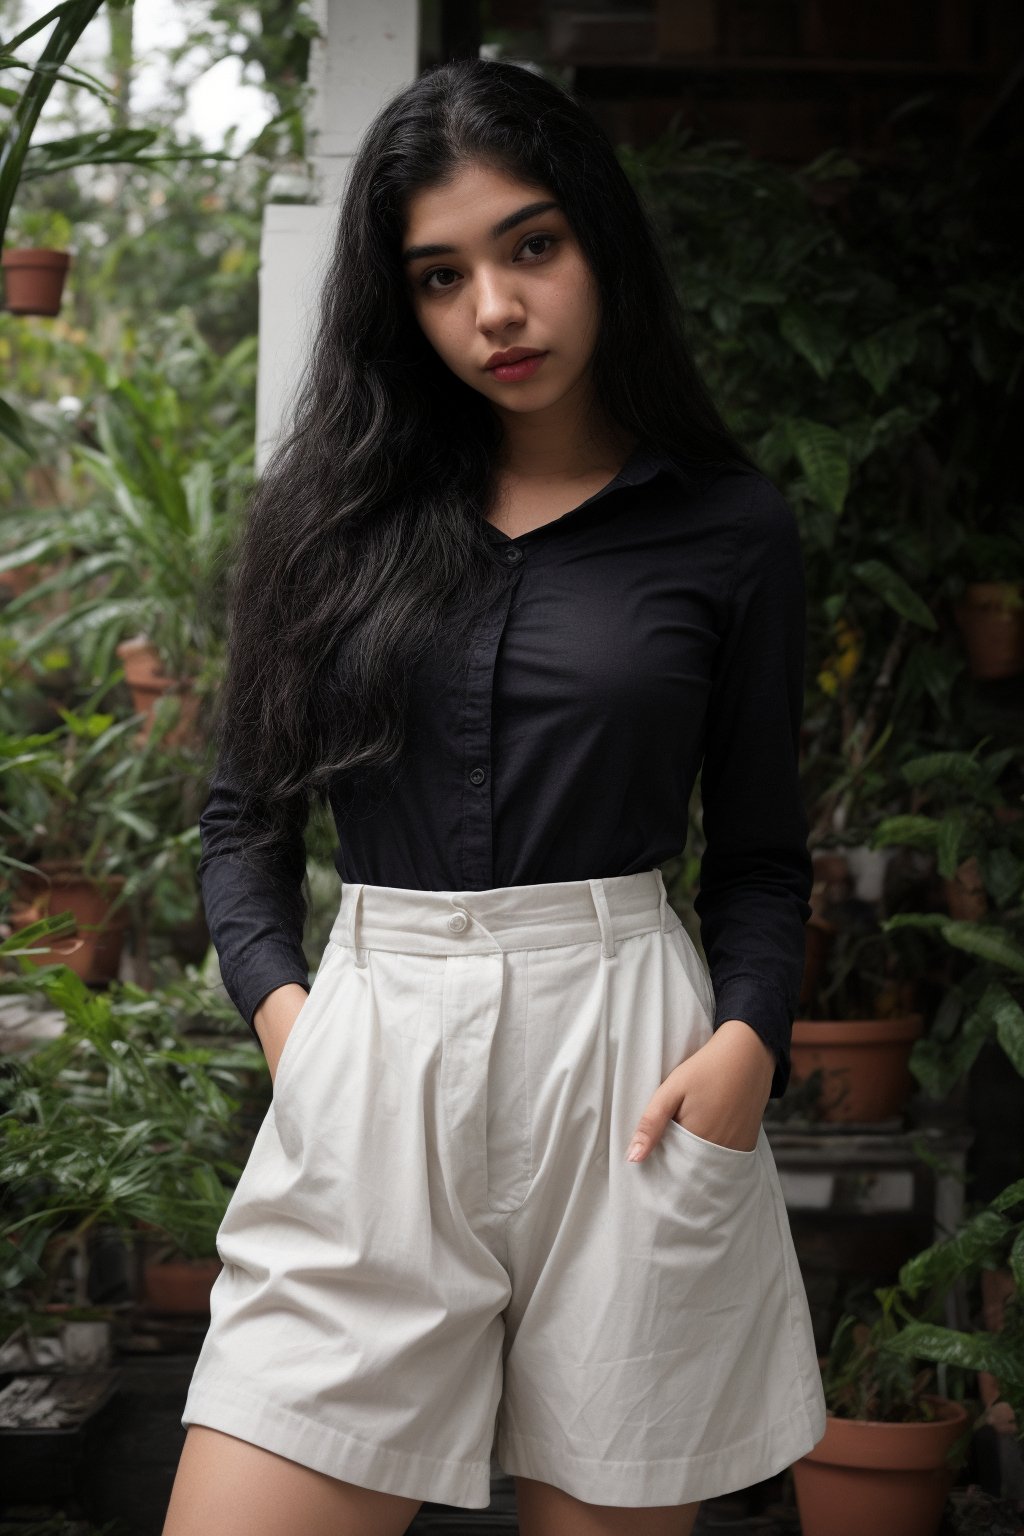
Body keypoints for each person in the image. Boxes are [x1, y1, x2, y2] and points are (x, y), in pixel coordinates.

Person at [163, 55, 826, 1536]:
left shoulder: (728, 531)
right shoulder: (327, 520)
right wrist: (299, 1030)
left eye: (532, 247)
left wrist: (744, 1050)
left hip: (634, 1076)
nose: (496, 314)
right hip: (373, 1058)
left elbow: (766, 857)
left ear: (600, 241)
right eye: (441, 275)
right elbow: (241, 826)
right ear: (400, 302)